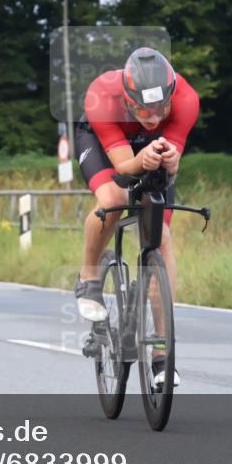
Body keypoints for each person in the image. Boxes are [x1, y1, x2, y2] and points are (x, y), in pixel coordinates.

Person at [73, 47, 199, 387]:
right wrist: (141, 160)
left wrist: (170, 160)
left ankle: (162, 354)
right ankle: (89, 277)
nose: (154, 117)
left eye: (161, 108)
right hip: (106, 144)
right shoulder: (102, 94)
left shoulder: (187, 99)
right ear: (127, 98)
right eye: (143, 108)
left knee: (160, 238)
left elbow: (170, 161)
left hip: (148, 149)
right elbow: (123, 168)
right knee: (114, 197)